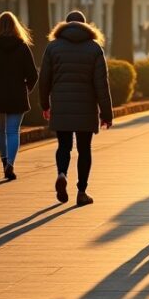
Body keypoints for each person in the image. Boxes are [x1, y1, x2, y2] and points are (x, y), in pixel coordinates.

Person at [39, 11, 114, 207]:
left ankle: (62, 173)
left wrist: (45, 105)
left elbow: (44, 79)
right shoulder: (94, 48)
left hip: (62, 105)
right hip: (86, 107)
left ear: (65, 25)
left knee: (63, 145)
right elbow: (101, 84)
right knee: (84, 149)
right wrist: (106, 114)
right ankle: (81, 191)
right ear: (86, 25)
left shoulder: (53, 47)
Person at [0, 11, 38, 181]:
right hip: (17, 95)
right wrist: (27, 88)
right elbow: (33, 74)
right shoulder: (22, 47)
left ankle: (4, 162)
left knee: (1, 130)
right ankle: (11, 163)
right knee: (13, 131)